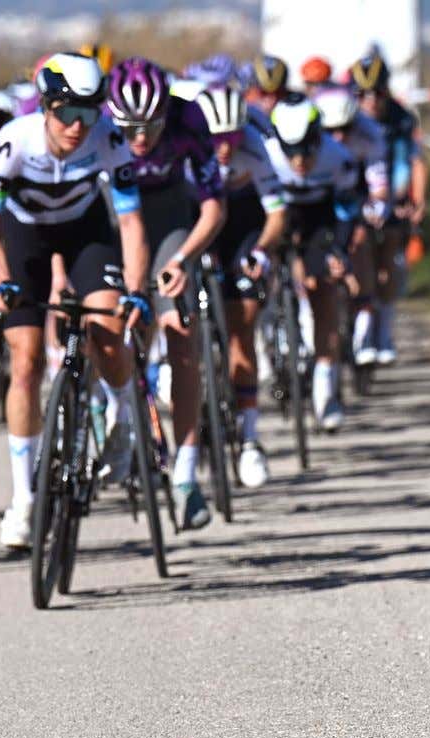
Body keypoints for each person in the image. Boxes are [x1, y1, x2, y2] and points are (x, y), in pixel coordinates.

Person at [0, 52, 151, 548]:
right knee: (26, 360)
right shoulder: (13, 142)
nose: (78, 126)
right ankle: (24, 500)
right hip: (24, 236)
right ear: (46, 107)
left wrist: (136, 290)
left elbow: (132, 222)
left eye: (90, 112)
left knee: (110, 328)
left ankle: (122, 414)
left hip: (84, 233)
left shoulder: (109, 139)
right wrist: (3, 279)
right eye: (68, 113)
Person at [106, 57, 227, 529]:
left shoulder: (189, 120)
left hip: (170, 217)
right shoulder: (96, 127)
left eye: (150, 126)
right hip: (113, 216)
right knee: (105, 321)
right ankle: (103, 405)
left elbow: (213, 208)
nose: (139, 138)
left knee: (180, 329)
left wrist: (182, 260)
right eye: (129, 127)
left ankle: (185, 475)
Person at [191, 84, 286, 487]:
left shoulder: (255, 145)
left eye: (232, 138)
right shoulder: (189, 147)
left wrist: (262, 252)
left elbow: (277, 214)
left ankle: (249, 440)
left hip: (244, 222)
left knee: (242, 322)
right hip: (196, 218)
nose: (225, 148)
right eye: (217, 140)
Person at [264, 93, 359, 432]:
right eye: (291, 151)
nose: (300, 159)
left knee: (323, 290)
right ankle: (269, 329)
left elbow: (348, 210)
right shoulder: (267, 155)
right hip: (277, 213)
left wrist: (340, 251)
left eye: (306, 148)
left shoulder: (337, 157)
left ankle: (325, 389)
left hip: (320, 218)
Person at [347, 52, 427, 365]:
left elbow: (415, 161)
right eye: (361, 94)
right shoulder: (345, 115)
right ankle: (362, 326)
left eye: (376, 93)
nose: (369, 101)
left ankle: (383, 329)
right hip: (357, 197)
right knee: (361, 251)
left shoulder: (402, 118)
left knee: (390, 260)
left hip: (394, 195)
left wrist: (418, 200)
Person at [316, 87, 388, 367]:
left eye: (345, 129)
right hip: (323, 191)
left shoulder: (370, 134)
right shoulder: (313, 138)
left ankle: (364, 323)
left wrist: (373, 212)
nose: (339, 137)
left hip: (357, 191)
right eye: (331, 130)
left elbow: (378, 186)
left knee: (360, 241)